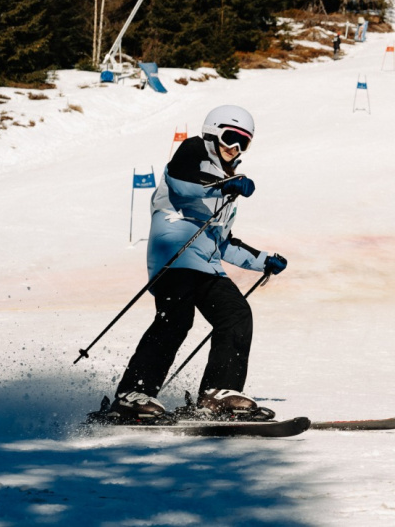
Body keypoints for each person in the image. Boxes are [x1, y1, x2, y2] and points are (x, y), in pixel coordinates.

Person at [108, 105, 288, 421]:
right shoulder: (191, 153)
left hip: (206, 265)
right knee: (176, 320)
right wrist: (223, 186)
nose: (234, 148)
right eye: (230, 137)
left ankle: (218, 393)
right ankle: (132, 395)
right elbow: (182, 185)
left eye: (243, 142)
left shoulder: (229, 180)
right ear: (213, 133)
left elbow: (222, 241)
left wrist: (262, 261)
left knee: (236, 314)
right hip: (174, 258)